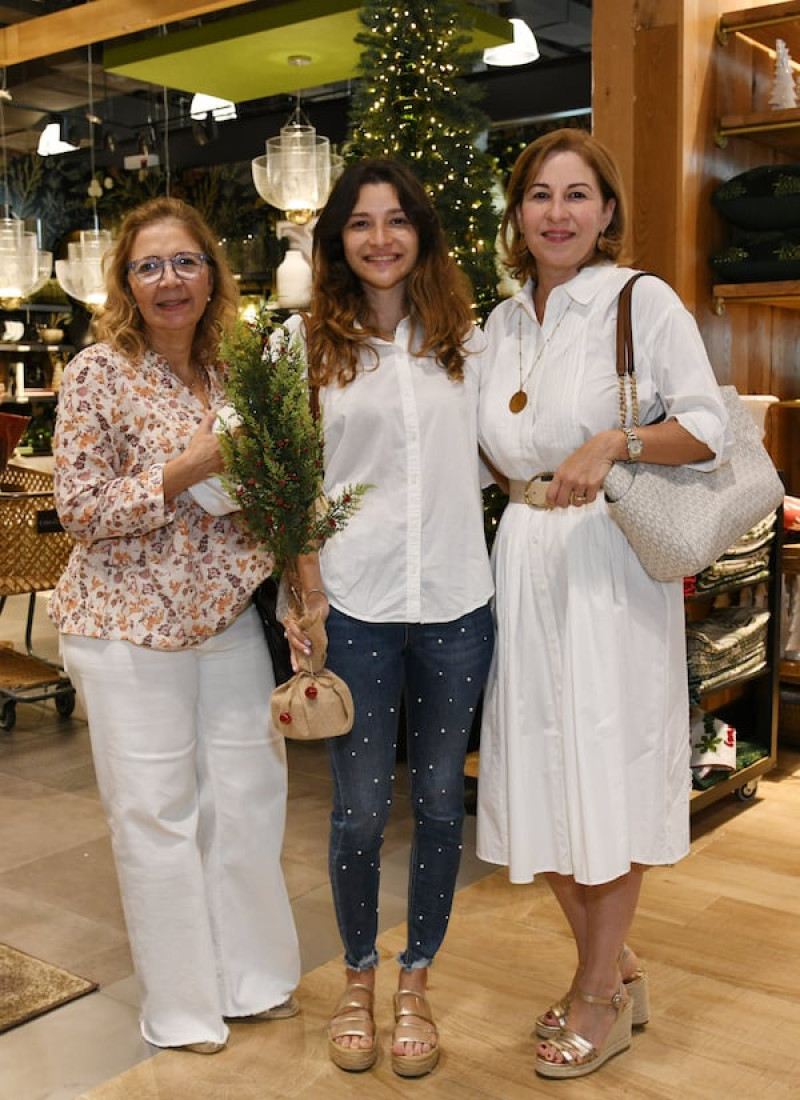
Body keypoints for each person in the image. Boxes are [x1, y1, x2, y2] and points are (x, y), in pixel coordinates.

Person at [475, 128, 730, 1080]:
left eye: (577, 195)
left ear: (608, 211)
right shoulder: (499, 326)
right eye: (540, 195)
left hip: (609, 560)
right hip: (525, 555)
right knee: (537, 768)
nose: (557, 213)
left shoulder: (640, 300)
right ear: (518, 213)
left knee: (604, 770)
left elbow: (705, 426)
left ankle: (595, 994)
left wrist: (615, 442)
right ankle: (613, 965)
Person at [48, 197, 301, 1054]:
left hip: (226, 620)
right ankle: (185, 1006)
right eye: (149, 266)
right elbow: (78, 510)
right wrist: (187, 466)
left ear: (212, 273)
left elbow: (271, 496)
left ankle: (254, 980)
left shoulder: (237, 370)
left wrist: (302, 581)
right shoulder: (94, 372)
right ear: (126, 281)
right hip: (125, 628)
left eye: (185, 262)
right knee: (156, 816)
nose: (169, 281)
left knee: (248, 801)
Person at [283, 158, 494, 1078]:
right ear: (337, 239)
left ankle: (418, 979)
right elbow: (289, 482)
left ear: (423, 234)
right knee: (362, 811)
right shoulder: (305, 349)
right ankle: (358, 977)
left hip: (456, 599)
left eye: (398, 219)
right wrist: (304, 591)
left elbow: (501, 456)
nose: (380, 238)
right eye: (361, 223)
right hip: (355, 604)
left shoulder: (469, 342)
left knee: (443, 801)